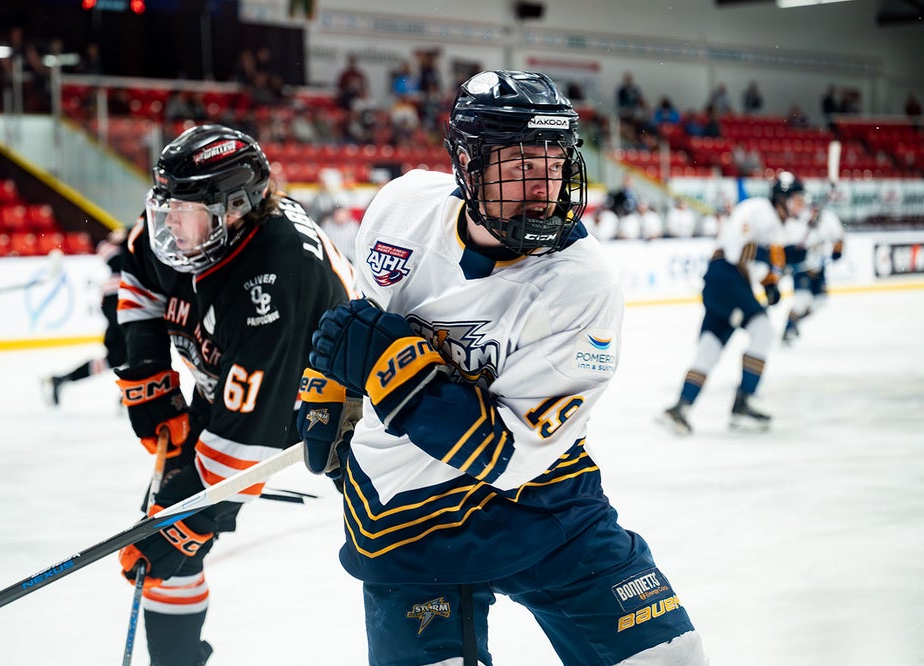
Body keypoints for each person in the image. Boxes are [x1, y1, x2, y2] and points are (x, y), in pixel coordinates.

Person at [300, 70, 707, 666]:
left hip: (540, 502)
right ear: (466, 163)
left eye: (553, 163)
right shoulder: (400, 209)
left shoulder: (582, 283)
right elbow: (366, 329)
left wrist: (395, 374)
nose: (542, 186)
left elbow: (510, 457)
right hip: (406, 512)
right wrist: (339, 384)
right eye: (519, 165)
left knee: (672, 657)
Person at [113, 124, 356, 666]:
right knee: (169, 518)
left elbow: (247, 446)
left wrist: (184, 524)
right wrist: (150, 379)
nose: (168, 223)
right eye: (165, 206)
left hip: (324, 410)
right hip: (235, 382)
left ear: (234, 209)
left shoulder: (274, 278)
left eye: (184, 211)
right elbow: (136, 272)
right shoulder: (191, 223)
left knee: (177, 528)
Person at [659, 172, 807, 435]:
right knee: (763, 330)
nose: (801, 205)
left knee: (710, 348)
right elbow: (736, 250)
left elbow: (760, 265)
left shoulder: (773, 221)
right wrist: (777, 259)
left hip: (722, 283)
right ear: (781, 198)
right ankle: (744, 402)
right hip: (726, 279)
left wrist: (770, 284)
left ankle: (680, 407)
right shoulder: (760, 210)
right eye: (796, 199)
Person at [43, 226, 129, 406]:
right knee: (133, 347)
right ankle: (131, 392)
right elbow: (113, 257)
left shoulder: (132, 243)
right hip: (119, 300)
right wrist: (123, 240)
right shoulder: (119, 245)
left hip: (121, 300)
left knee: (117, 356)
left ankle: (62, 379)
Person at [781, 199, 845, 345]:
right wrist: (807, 230)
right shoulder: (796, 220)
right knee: (802, 301)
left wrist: (838, 250)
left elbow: (839, 237)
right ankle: (788, 330)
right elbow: (791, 244)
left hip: (819, 269)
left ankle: (794, 323)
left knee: (820, 301)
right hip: (801, 269)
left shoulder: (828, 219)